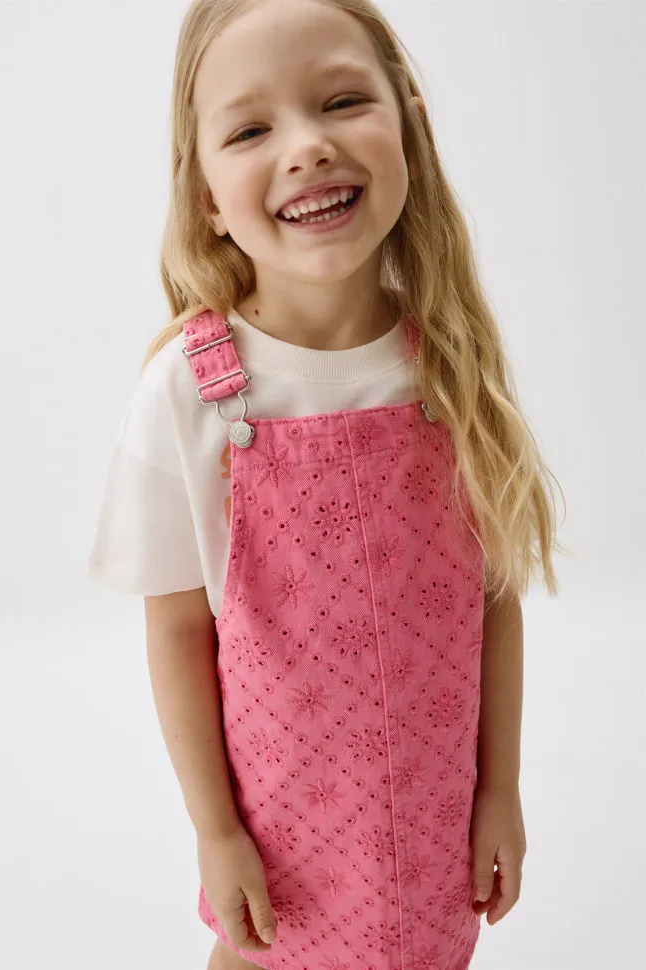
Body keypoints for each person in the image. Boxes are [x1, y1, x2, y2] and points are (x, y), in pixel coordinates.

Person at [87, 1, 566, 968]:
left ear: (412, 132)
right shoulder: (189, 391)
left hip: (433, 821)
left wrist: (499, 790)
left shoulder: (451, 367)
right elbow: (176, 633)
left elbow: (494, 600)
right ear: (206, 195)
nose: (306, 147)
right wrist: (216, 831)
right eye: (251, 129)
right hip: (281, 837)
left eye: (342, 101)